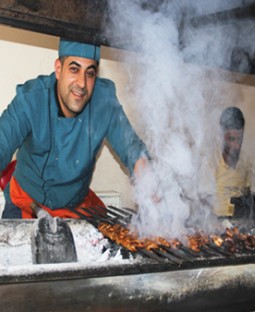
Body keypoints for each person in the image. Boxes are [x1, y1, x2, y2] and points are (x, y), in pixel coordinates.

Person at [0, 38, 149, 219]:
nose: (82, 83)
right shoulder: (31, 99)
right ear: (58, 69)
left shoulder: (104, 101)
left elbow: (132, 148)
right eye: (74, 69)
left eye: (90, 73)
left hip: (75, 207)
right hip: (27, 201)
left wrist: (149, 181)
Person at [213, 106, 251, 217]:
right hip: (216, 223)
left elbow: (247, 195)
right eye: (231, 139)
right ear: (222, 136)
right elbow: (202, 203)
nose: (236, 146)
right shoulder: (210, 162)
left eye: (239, 139)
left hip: (239, 223)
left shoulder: (245, 161)